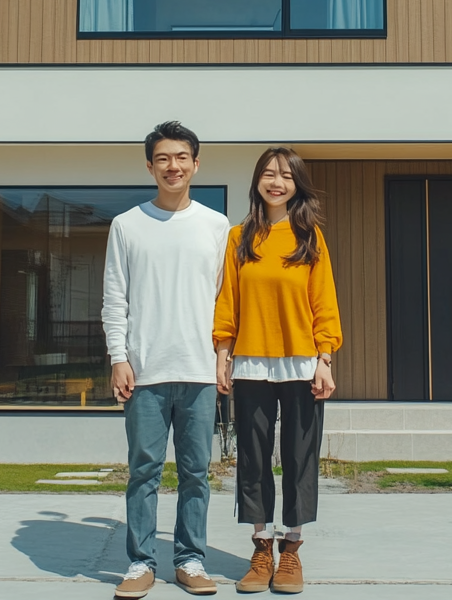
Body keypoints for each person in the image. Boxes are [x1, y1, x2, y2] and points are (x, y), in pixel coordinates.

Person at [102, 121, 230, 599]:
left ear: (196, 164)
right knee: (143, 471)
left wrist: (223, 356)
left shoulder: (217, 226)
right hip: (145, 371)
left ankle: (190, 559)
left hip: (199, 371)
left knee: (197, 472)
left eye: (181, 157)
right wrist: (119, 357)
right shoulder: (126, 225)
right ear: (150, 165)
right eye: (163, 158)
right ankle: (140, 563)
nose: (172, 166)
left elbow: (225, 301)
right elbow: (115, 298)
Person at [213, 147, 343, 595]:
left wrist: (326, 359)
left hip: (303, 362)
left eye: (286, 176)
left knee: (299, 457)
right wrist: (222, 355)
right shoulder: (239, 237)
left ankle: (291, 551)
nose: (277, 182)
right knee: (252, 457)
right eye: (269, 174)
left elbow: (324, 302)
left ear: (296, 185)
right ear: (257, 181)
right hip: (250, 361)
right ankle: (261, 546)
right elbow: (227, 301)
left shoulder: (310, 236)